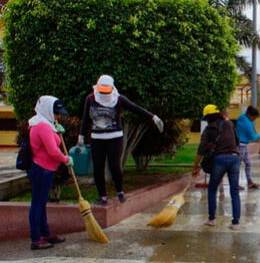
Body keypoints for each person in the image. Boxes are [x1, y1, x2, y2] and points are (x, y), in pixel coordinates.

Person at [79, 75, 164, 205]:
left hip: (114, 137)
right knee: (98, 167)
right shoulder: (91, 99)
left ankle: (120, 191)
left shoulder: (118, 99)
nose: (103, 94)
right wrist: (81, 135)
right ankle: (102, 196)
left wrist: (153, 117)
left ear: (112, 88)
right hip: (97, 138)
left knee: (115, 166)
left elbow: (135, 108)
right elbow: (85, 118)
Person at [27, 96, 73, 249]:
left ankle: (45, 233)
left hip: (45, 169)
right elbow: (53, 151)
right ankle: (36, 239)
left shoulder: (46, 124)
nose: (58, 116)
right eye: (55, 112)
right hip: (41, 170)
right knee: (37, 204)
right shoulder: (42, 126)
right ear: (47, 110)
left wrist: (57, 130)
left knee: (41, 203)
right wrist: (66, 159)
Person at [192, 104, 241, 230]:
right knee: (234, 191)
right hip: (235, 158)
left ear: (207, 117)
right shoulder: (229, 123)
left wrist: (195, 167)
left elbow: (201, 150)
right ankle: (235, 222)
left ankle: (212, 219)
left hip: (219, 160)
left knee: (212, 189)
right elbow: (237, 141)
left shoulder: (209, 129)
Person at [235, 106, 260, 189]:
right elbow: (252, 136)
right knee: (237, 165)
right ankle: (235, 184)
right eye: (254, 118)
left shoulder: (242, 117)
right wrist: (259, 137)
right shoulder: (247, 123)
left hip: (243, 145)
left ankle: (250, 182)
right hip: (240, 145)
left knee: (249, 163)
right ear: (250, 115)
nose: (254, 119)